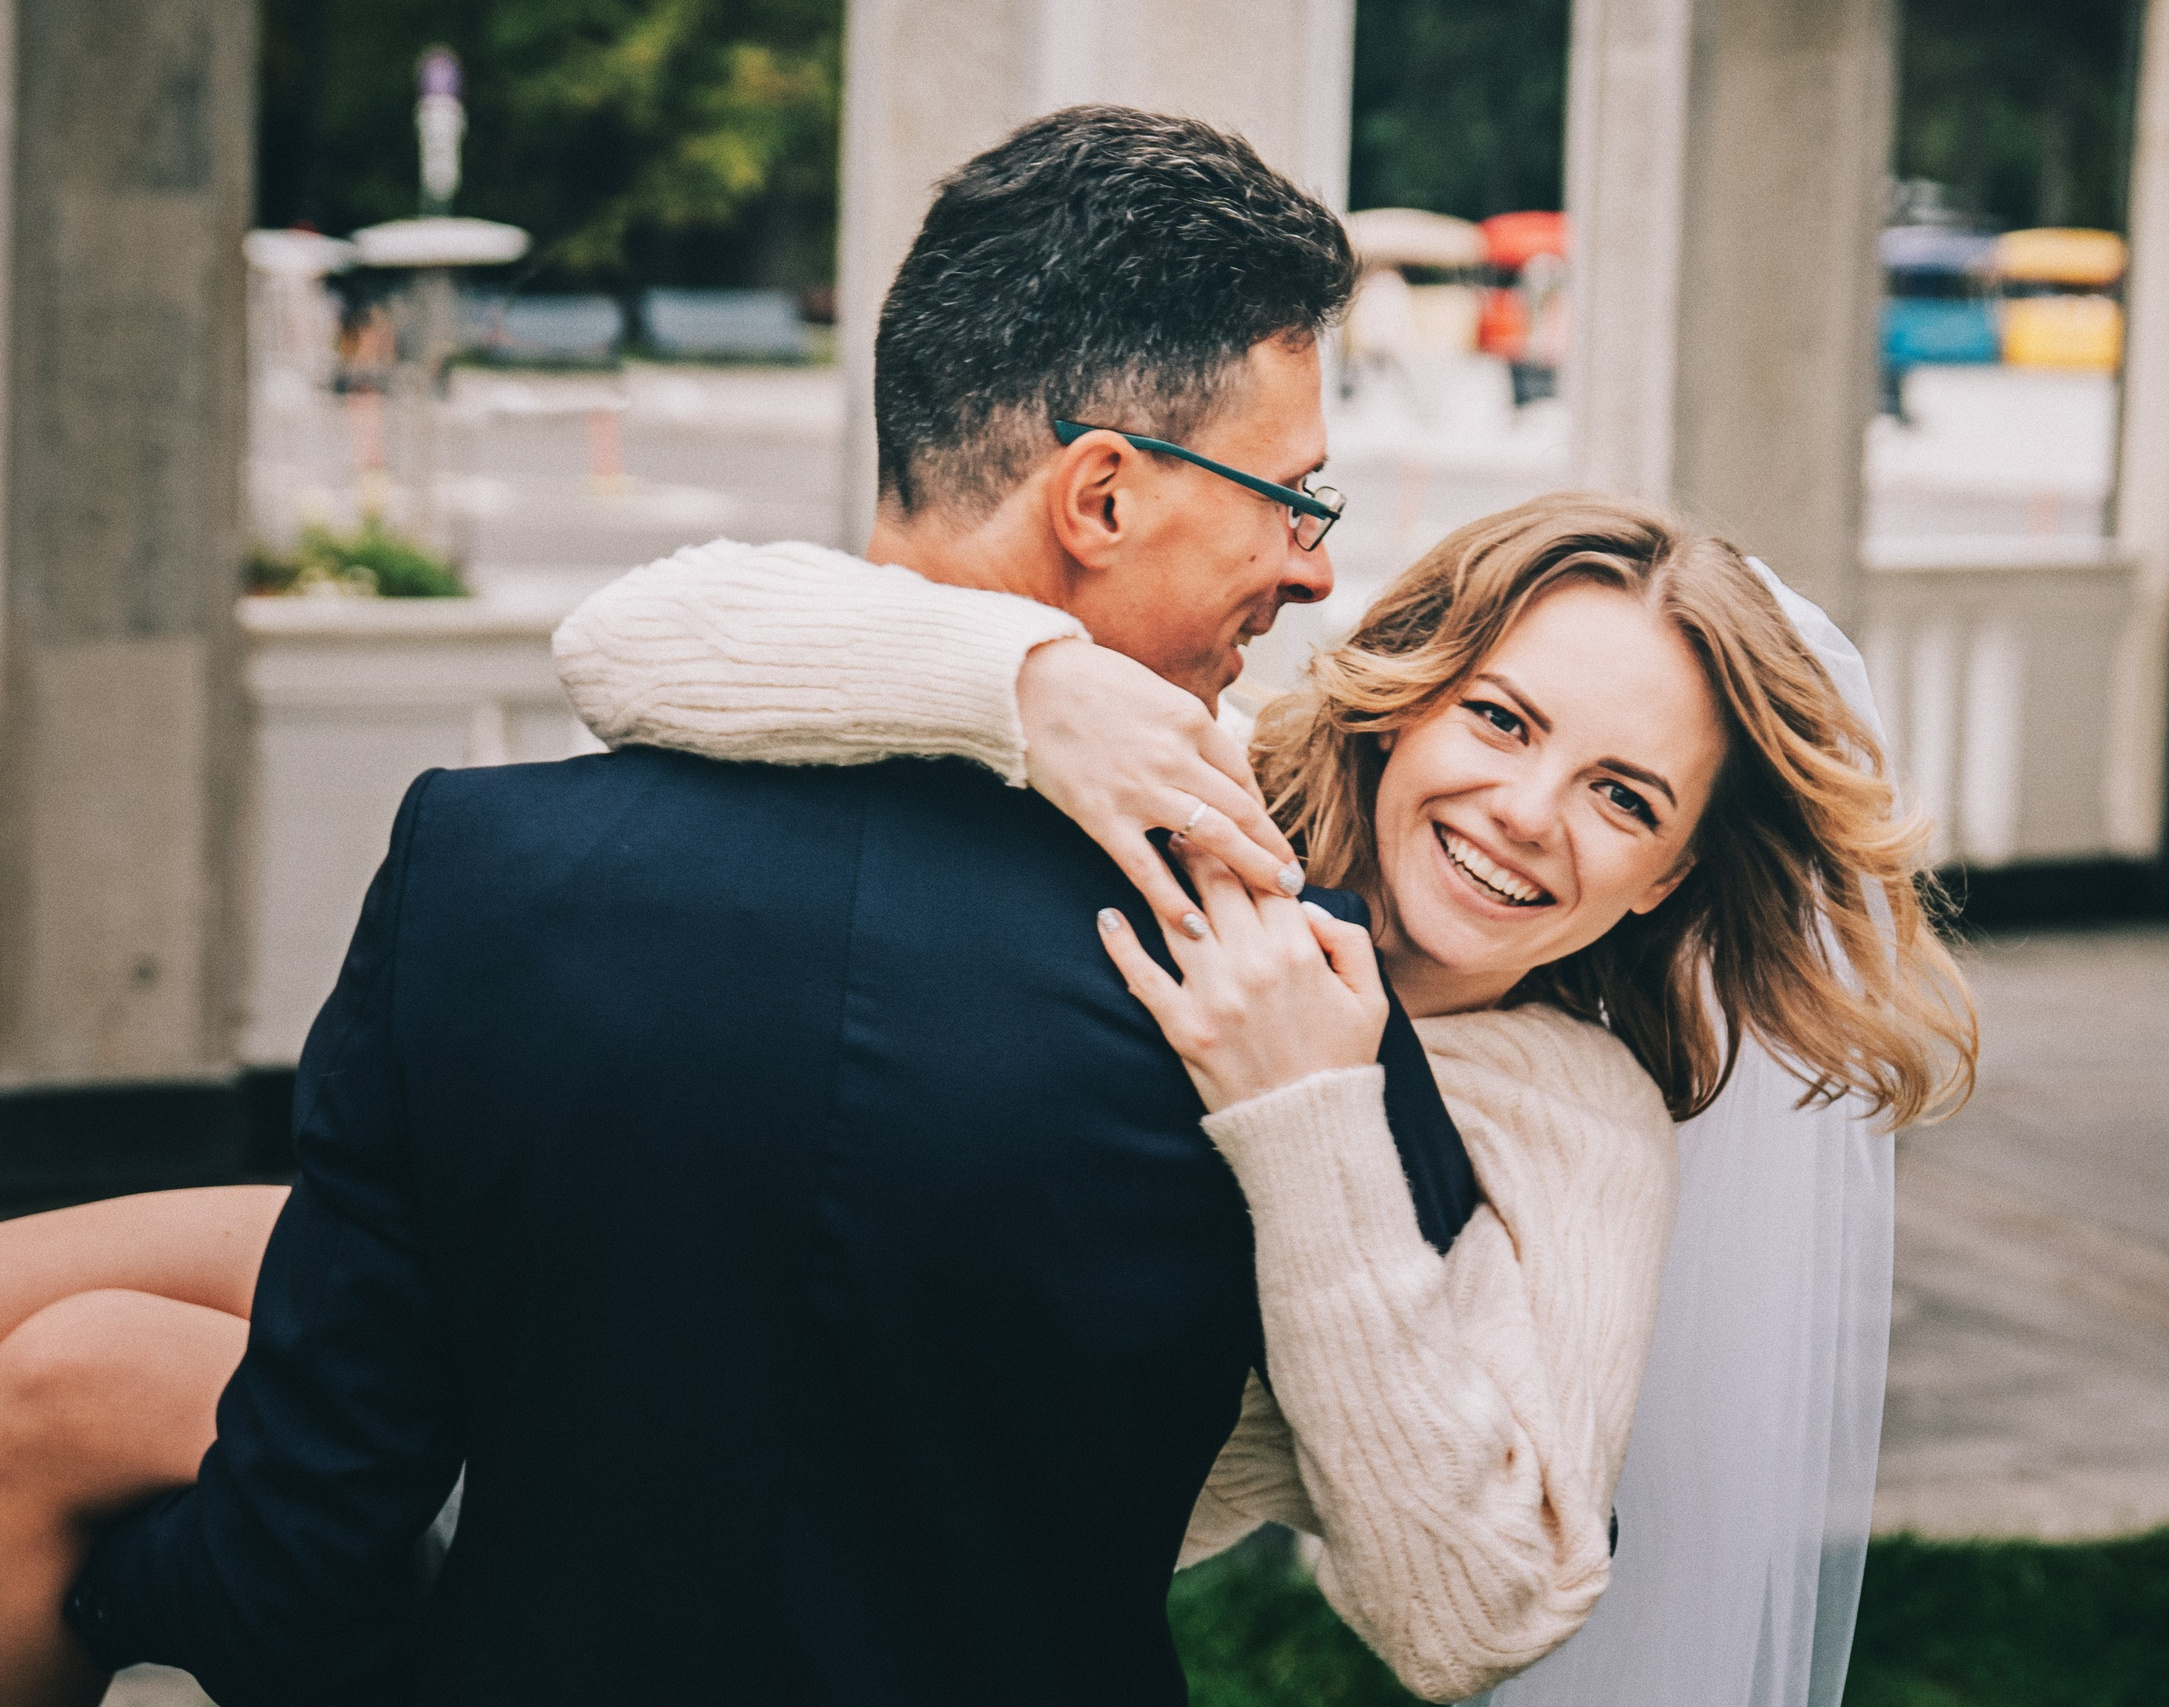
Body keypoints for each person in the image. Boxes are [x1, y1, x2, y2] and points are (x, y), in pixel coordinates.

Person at [0, 107, 1494, 1707]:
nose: (1315, 568)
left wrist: (98, 1589)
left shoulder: (475, 876)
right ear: (1102, 497)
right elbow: (1450, 1539)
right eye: (1292, 499)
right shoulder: (1284, 1000)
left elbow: (296, 1574)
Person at [539, 487, 1977, 1705]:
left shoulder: (1571, 1124)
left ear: (1666, 875)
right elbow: (620, 645)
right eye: (1501, 720)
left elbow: (1478, 1612)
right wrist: (1037, 687)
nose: (1529, 814)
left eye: (1624, 797)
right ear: (1410, 699)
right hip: (579, 1493)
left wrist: (1310, 1114)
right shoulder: (1178, 793)